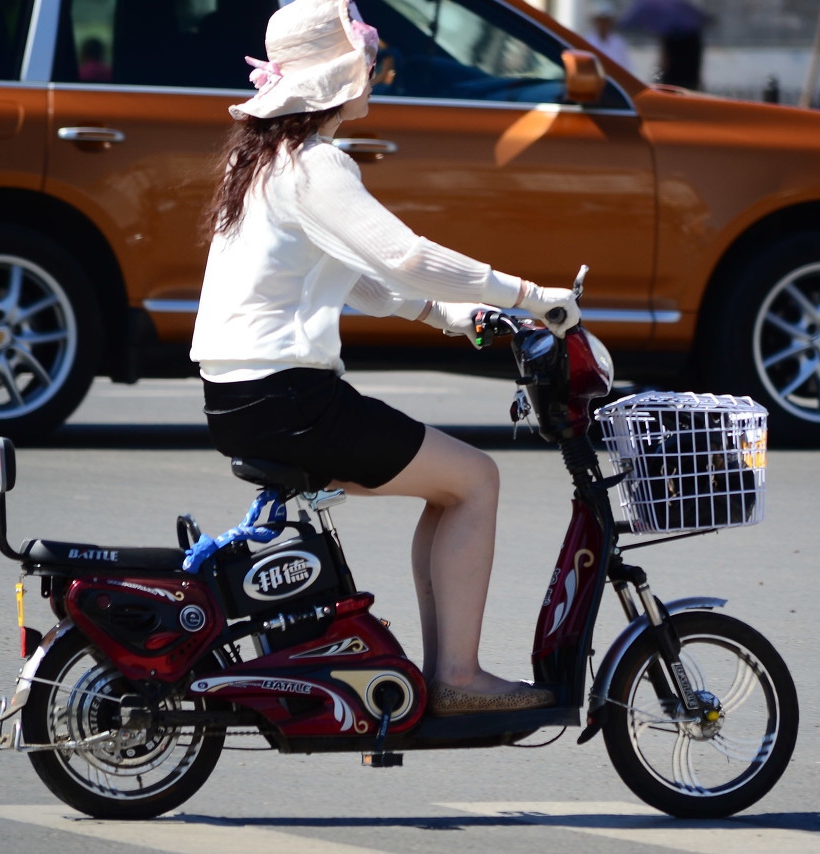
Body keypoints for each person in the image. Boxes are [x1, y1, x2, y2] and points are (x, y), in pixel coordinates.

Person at [191, 0, 580, 716]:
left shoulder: (267, 161)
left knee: (452, 484)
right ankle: (459, 678)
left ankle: (447, 673)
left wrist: (450, 315)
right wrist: (530, 295)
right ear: (343, 75)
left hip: (244, 399)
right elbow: (403, 255)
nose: (376, 67)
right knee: (477, 479)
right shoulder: (316, 165)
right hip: (288, 403)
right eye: (367, 54)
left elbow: (362, 278)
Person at [584, 2, 633, 74]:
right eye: (601, 20)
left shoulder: (619, 43)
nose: (603, 24)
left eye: (606, 21)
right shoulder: (588, 42)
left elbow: (628, 67)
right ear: (595, 21)